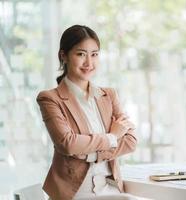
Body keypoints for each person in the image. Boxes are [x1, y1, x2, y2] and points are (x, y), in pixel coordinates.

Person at [36, 25, 137, 200]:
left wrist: (88, 153)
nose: (89, 63)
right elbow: (68, 144)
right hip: (75, 193)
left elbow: (130, 141)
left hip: (111, 188)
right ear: (63, 56)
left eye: (94, 54)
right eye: (81, 54)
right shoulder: (50, 98)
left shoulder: (109, 95)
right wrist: (112, 137)